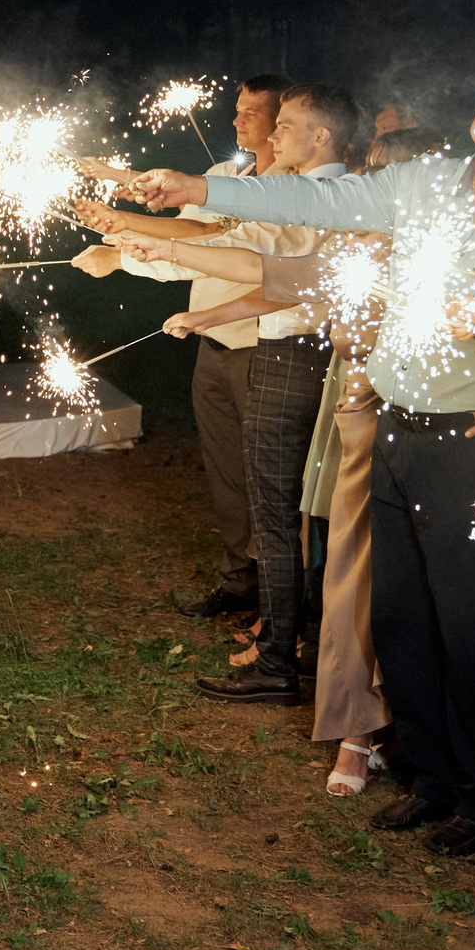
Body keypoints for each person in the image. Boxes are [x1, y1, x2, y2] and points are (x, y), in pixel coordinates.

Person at [121, 71, 475, 857]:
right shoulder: (419, 186)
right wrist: (195, 188)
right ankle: (431, 779)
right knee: (400, 616)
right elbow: (316, 203)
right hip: (395, 423)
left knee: (473, 622)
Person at [88, 83, 360, 705]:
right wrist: (135, 234)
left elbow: (260, 262)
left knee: (279, 511)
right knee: (281, 509)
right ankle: (292, 649)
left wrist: (142, 230)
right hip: (287, 348)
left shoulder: (319, 196)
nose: (273, 135)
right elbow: (269, 271)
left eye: (285, 124)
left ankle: (281, 660)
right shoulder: (309, 192)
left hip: (293, 358)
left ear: (320, 136)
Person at [75, 74, 287, 624]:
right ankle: (241, 580)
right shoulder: (222, 176)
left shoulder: (290, 192)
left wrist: (124, 221)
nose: (237, 122)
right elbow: (183, 247)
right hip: (213, 346)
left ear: (283, 122)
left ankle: (283, 600)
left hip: (265, 347)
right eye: (236, 111)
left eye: (251, 113)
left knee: (271, 478)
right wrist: (119, 254)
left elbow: (210, 238)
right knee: (225, 473)